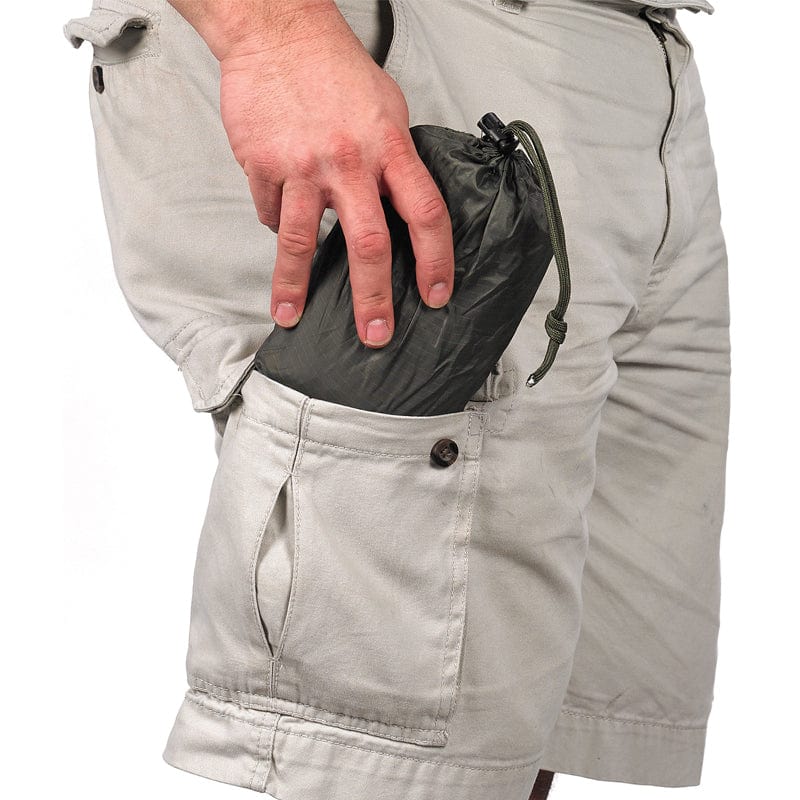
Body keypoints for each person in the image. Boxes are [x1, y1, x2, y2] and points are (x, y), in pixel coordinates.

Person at [62, 1, 729, 798]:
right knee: (385, 749)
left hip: (639, 75)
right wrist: (273, 34)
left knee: (493, 721)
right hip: (396, 43)